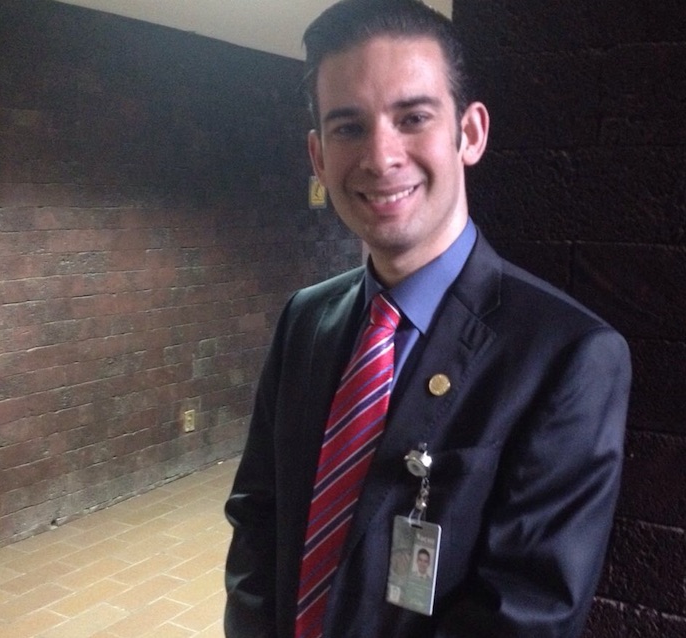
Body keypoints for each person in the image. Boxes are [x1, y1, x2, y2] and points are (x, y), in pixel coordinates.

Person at [223, 1, 632, 637]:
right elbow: (258, 521)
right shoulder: (307, 321)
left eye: (413, 117)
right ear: (318, 155)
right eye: (348, 127)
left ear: (469, 133)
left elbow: (525, 615)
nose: (380, 157)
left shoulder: (567, 357)